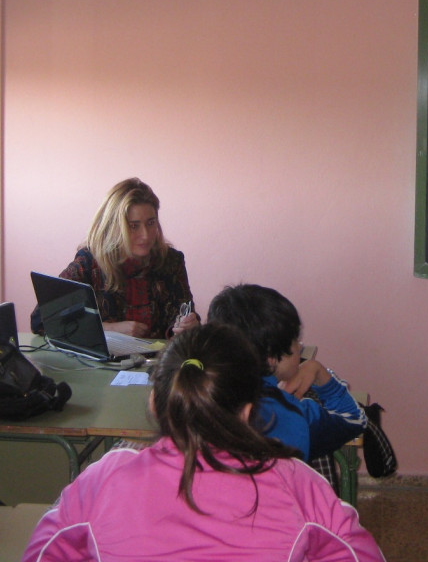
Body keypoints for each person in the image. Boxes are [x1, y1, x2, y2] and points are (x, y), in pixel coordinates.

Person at [22, 323, 384, 561]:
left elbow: (40, 554)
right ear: (247, 412)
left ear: (154, 403)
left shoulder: (102, 480)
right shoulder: (296, 483)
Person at [207, 284, 366, 489]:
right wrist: (319, 373)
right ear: (271, 358)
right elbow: (354, 419)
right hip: (276, 516)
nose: (300, 347)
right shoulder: (294, 414)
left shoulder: (196, 396)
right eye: (295, 340)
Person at [30, 178, 199, 339]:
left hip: (159, 362)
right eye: (133, 226)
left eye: (151, 223)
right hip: (105, 364)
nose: (145, 235)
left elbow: (185, 313)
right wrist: (108, 329)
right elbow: (41, 320)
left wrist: (189, 326)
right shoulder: (89, 262)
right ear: (115, 227)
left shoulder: (171, 261)